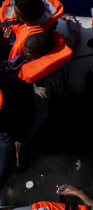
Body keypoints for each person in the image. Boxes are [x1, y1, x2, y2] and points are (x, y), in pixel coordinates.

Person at [9, 14, 79, 167]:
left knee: (47, 131)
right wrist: (71, 20)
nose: (24, 53)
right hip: (65, 92)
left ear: (38, 55)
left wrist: (21, 140)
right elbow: (75, 34)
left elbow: (41, 114)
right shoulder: (65, 47)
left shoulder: (42, 82)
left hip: (56, 106)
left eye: (27, 52)